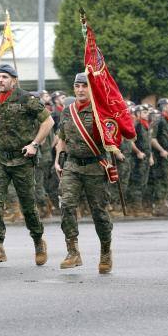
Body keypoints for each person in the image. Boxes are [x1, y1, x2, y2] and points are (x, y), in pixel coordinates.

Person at [0, 64, 54, 265]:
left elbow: (48, 122)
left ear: (14, 79)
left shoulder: (26, 99)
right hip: (0, 159)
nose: (0, 80)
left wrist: (34, 144)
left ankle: (39, 241)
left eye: (4, 77)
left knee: (28, 205)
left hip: (23, 159)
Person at [53, 73, 115, 274]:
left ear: (91, 88)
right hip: (72, 166)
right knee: (67, 205)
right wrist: (57, 158)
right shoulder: (67, 111)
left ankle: (105, 251)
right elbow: (62, 137)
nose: (80, 90)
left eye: (84, 86)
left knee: (99, 212)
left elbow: (114, 136)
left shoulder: (101, 111)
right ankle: (73, 252)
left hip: (95, 167)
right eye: (77, 86)